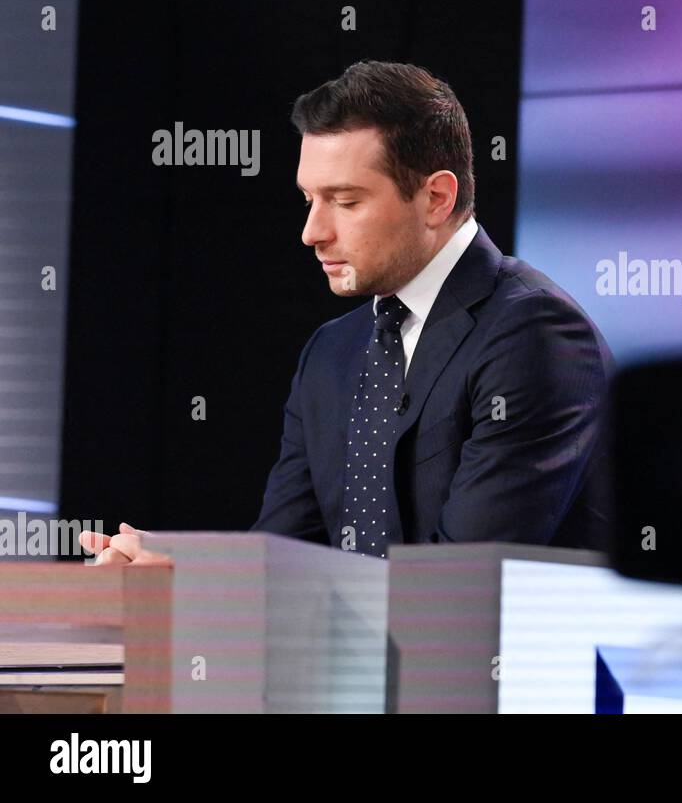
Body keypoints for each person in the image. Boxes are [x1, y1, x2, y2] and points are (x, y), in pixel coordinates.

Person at [81, 61, 614, 564]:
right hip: (356, 661)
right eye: (309, 199)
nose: (312, 232)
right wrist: (182, 568)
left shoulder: (534, 333)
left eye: (345, 201)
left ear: (437, 198)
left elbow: (459, 591)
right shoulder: (330, 352)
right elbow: (286, 557)